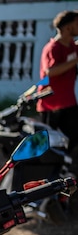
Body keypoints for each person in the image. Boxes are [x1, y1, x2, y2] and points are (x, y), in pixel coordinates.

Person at [37, 9, 78, 147]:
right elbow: (51, 71)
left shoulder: (72, 46)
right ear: (68, 27)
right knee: (49, 145)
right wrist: (74, 61)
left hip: (69, 103)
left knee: (71, 141)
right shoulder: (52, 48)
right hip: (51, 105)